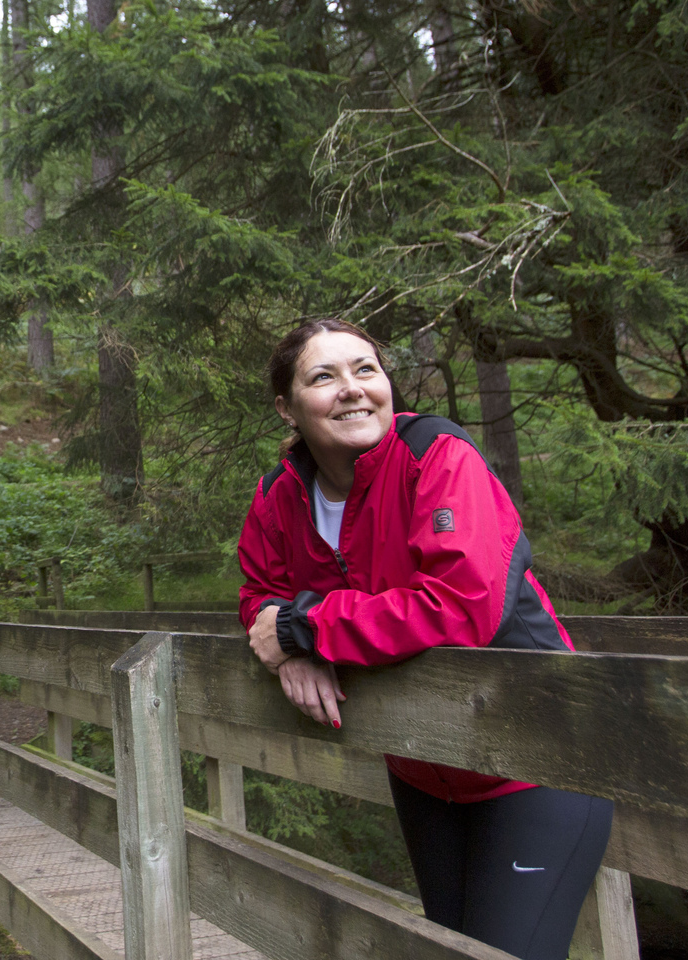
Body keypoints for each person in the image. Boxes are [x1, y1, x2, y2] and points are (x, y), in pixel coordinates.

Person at [235, 317, 613, 960]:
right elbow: (257, 596)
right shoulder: (280, 495)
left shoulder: (438, 455)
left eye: (366, 370)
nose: (352, 389)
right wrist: (287, 653)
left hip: (537, 756)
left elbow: (463, 606)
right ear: (287, 409)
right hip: (422, 766)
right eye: (323, 377)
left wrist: (306, 630)